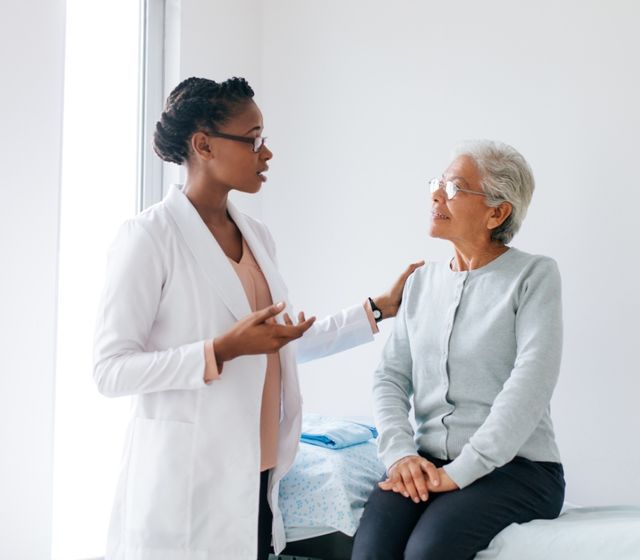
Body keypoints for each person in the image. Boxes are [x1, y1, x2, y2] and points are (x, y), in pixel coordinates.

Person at [93, 76, 421, 560]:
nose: (266, 154)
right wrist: (219, 350)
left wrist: (376, 309)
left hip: (260, 472)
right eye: (253, 140)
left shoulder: (259, 237)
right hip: (187, 479)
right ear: (203, 145)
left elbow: (273, 348)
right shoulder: (149, 237)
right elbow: (110, 370)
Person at [352, 140, 565, 560]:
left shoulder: (534, 276)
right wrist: (400, 456)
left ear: (497, 212)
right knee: (371, 552)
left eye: (453, 187)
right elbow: (389, 377)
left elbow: (531, 383)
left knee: (427, 552)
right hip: (427, 462)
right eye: (438, 183)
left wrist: (460, 473)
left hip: (519, 470)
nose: (435, 195)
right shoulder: (420, 283)